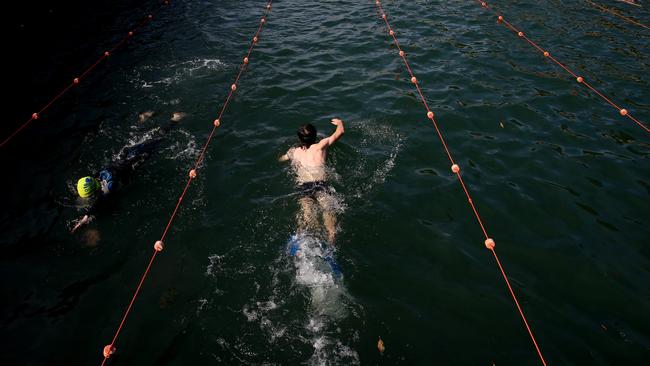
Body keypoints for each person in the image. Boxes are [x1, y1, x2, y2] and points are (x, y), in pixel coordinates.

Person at [70, 122, 174, 233]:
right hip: (126, 156)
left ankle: (174, 121)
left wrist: (85, 218)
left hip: (137, 158)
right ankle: (144, 119)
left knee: (158, 139)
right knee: (144, 139)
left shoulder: (109, 187)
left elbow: (100, 203)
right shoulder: (97, 175)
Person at [279, 118, 345, 243]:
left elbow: (282, 159)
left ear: (299, 139)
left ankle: (301, 237)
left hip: (303, 187)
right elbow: (340, 132)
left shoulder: (294, 152)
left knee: (307, 215)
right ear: (315, 136)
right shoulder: (320, 146)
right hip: (320, 184)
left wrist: (286, 157)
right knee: (328, 210)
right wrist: (340, 123)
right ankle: (331, 244)